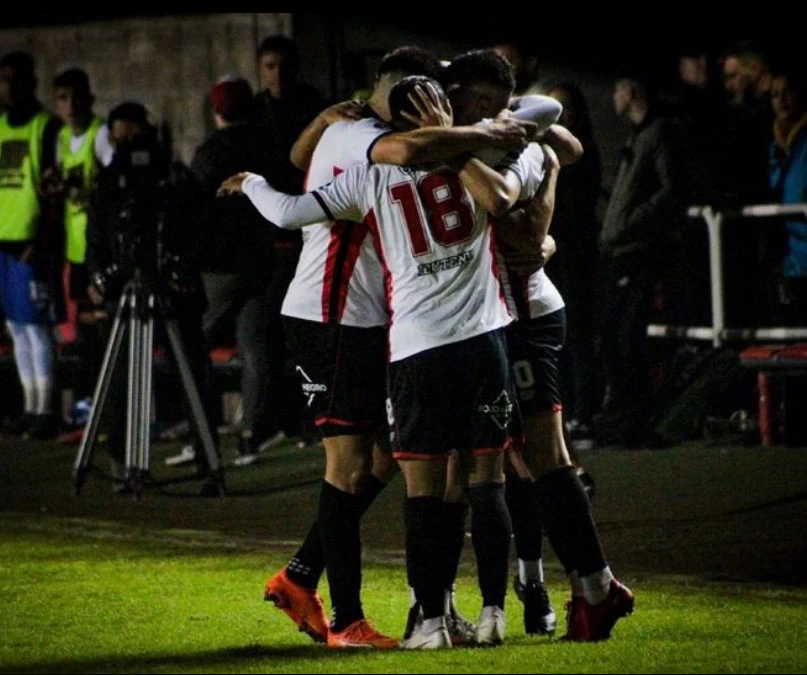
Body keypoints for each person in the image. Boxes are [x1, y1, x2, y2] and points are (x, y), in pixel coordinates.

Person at [221, 73, 536, 651]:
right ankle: (463, 613)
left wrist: (254, 182)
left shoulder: (371, 169)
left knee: (410, 475)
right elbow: (521, 168)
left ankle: (425, 618)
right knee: (470, 478)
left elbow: (291, 207)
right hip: (401, 326)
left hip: (408, 339)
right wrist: (475, 132)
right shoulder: (452, 151)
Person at [85, 102, 221, 497]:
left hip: (174, 292)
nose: (131, 145)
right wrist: (101, 277)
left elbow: (201, 227)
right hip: (126, 292)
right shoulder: (109, 185)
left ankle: (206, 456)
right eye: (122, 137)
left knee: (193, 374)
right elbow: (98, 238)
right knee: (121, 379)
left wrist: (185, 266)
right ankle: (124, 463)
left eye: (136, 135)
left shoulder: (175, 180)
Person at [164, 77, 283, 469]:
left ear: (216, 112)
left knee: (193, 348)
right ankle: (251, 436)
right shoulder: (268, 144)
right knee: (254, 348)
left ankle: (201, 439)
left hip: (220, 264)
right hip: (262, 258)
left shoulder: (212, 152)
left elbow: (192, 206)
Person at [599, 75, 687, 418]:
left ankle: (637, 413)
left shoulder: (658, 133)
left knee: (626, 335)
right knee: (614, 334)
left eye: (617, 91)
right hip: (622, 250)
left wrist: (629, 222)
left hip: (640, 249)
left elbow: (671, 189)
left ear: (630, 91)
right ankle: (627, 411)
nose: (614, 100)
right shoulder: (637, 137)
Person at [255, 35, 325, 442]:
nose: (276, 75)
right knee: (270, 333)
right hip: (270, 235)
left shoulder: (312, 107)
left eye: (283, 66)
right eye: (269, 66)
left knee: (307, 330)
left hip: (309, 228)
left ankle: (307, 418)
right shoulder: (256, 110)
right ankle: (279, 418)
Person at [0, 52, 63, 439]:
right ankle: (28, 405)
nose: (8, 87)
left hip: (30, 242)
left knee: (37, 327)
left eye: (15, 79)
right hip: (4, 240)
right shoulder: (1, 125)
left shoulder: (46, 127)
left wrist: (41, 241)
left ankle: (46, 409)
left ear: (30, 82)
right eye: (3, 79)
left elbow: (52, 191)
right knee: (15, 327)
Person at [43, 68, 112, 408]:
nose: (69, 106)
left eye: (75, 97)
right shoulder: (60, 140)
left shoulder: (100, 135)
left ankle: (107, 401)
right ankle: (88, 402)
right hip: (76, 246)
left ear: (89, 98)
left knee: (103, 327)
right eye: (62, 98)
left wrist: (80, 190)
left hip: (99, 246)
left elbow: (113, 184)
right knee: (84, 329)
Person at [769, 67, 807, 325]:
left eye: (789, 92)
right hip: (787, 258)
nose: (782, 100)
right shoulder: (772, 145)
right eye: (775, 94)